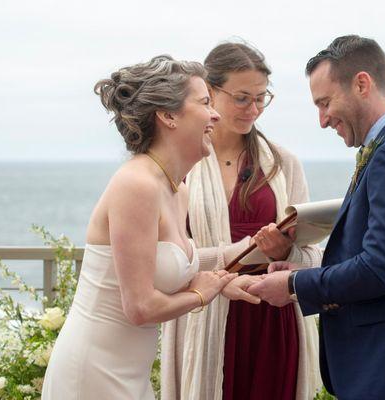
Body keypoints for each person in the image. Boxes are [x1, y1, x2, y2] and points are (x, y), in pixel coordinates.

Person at [249, 35, 385, 399]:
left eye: (325, 102)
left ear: (362, 83)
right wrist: (303, 274)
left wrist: (293, 287)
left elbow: (381, 270)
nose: (322, 120)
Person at [42, 55, 239, 400]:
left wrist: (225, 281)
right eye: (205, 102)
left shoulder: (177, 189)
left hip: (131, 372)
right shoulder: (137, 185)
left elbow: (164, 272)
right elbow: (140, 307)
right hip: (92, 373)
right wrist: (199, 295)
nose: (216, 115)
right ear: (168, 116)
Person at [160, 41, 322, 400]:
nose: (254, 109)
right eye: (242, 98)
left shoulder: (284, 163)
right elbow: (166, 256)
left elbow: (312, 255)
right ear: (210, 92)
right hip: (202, 312)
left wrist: (288, 253)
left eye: (262, 98)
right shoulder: (178, 165)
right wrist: (237, 257)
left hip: (273, 318)